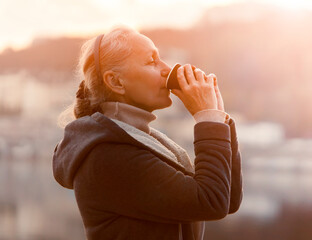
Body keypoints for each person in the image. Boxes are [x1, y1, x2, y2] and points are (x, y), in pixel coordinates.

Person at [52, 26, 243, 240]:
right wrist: (207, 118)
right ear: (116, 82)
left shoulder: (141, 140)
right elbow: (211, 201)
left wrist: (218, 115)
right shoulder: (108, 155)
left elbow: (227, 199)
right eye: (152, 61)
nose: (166, 69)